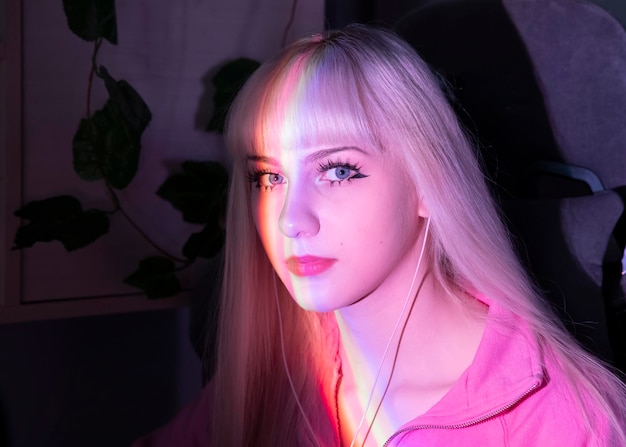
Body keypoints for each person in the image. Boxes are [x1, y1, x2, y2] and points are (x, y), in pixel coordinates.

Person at [133, 24, 626, 446]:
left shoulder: (564, 420)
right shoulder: (275, 373)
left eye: (339, 171)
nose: (290, 220)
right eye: (268, 177)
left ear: (429, 185)